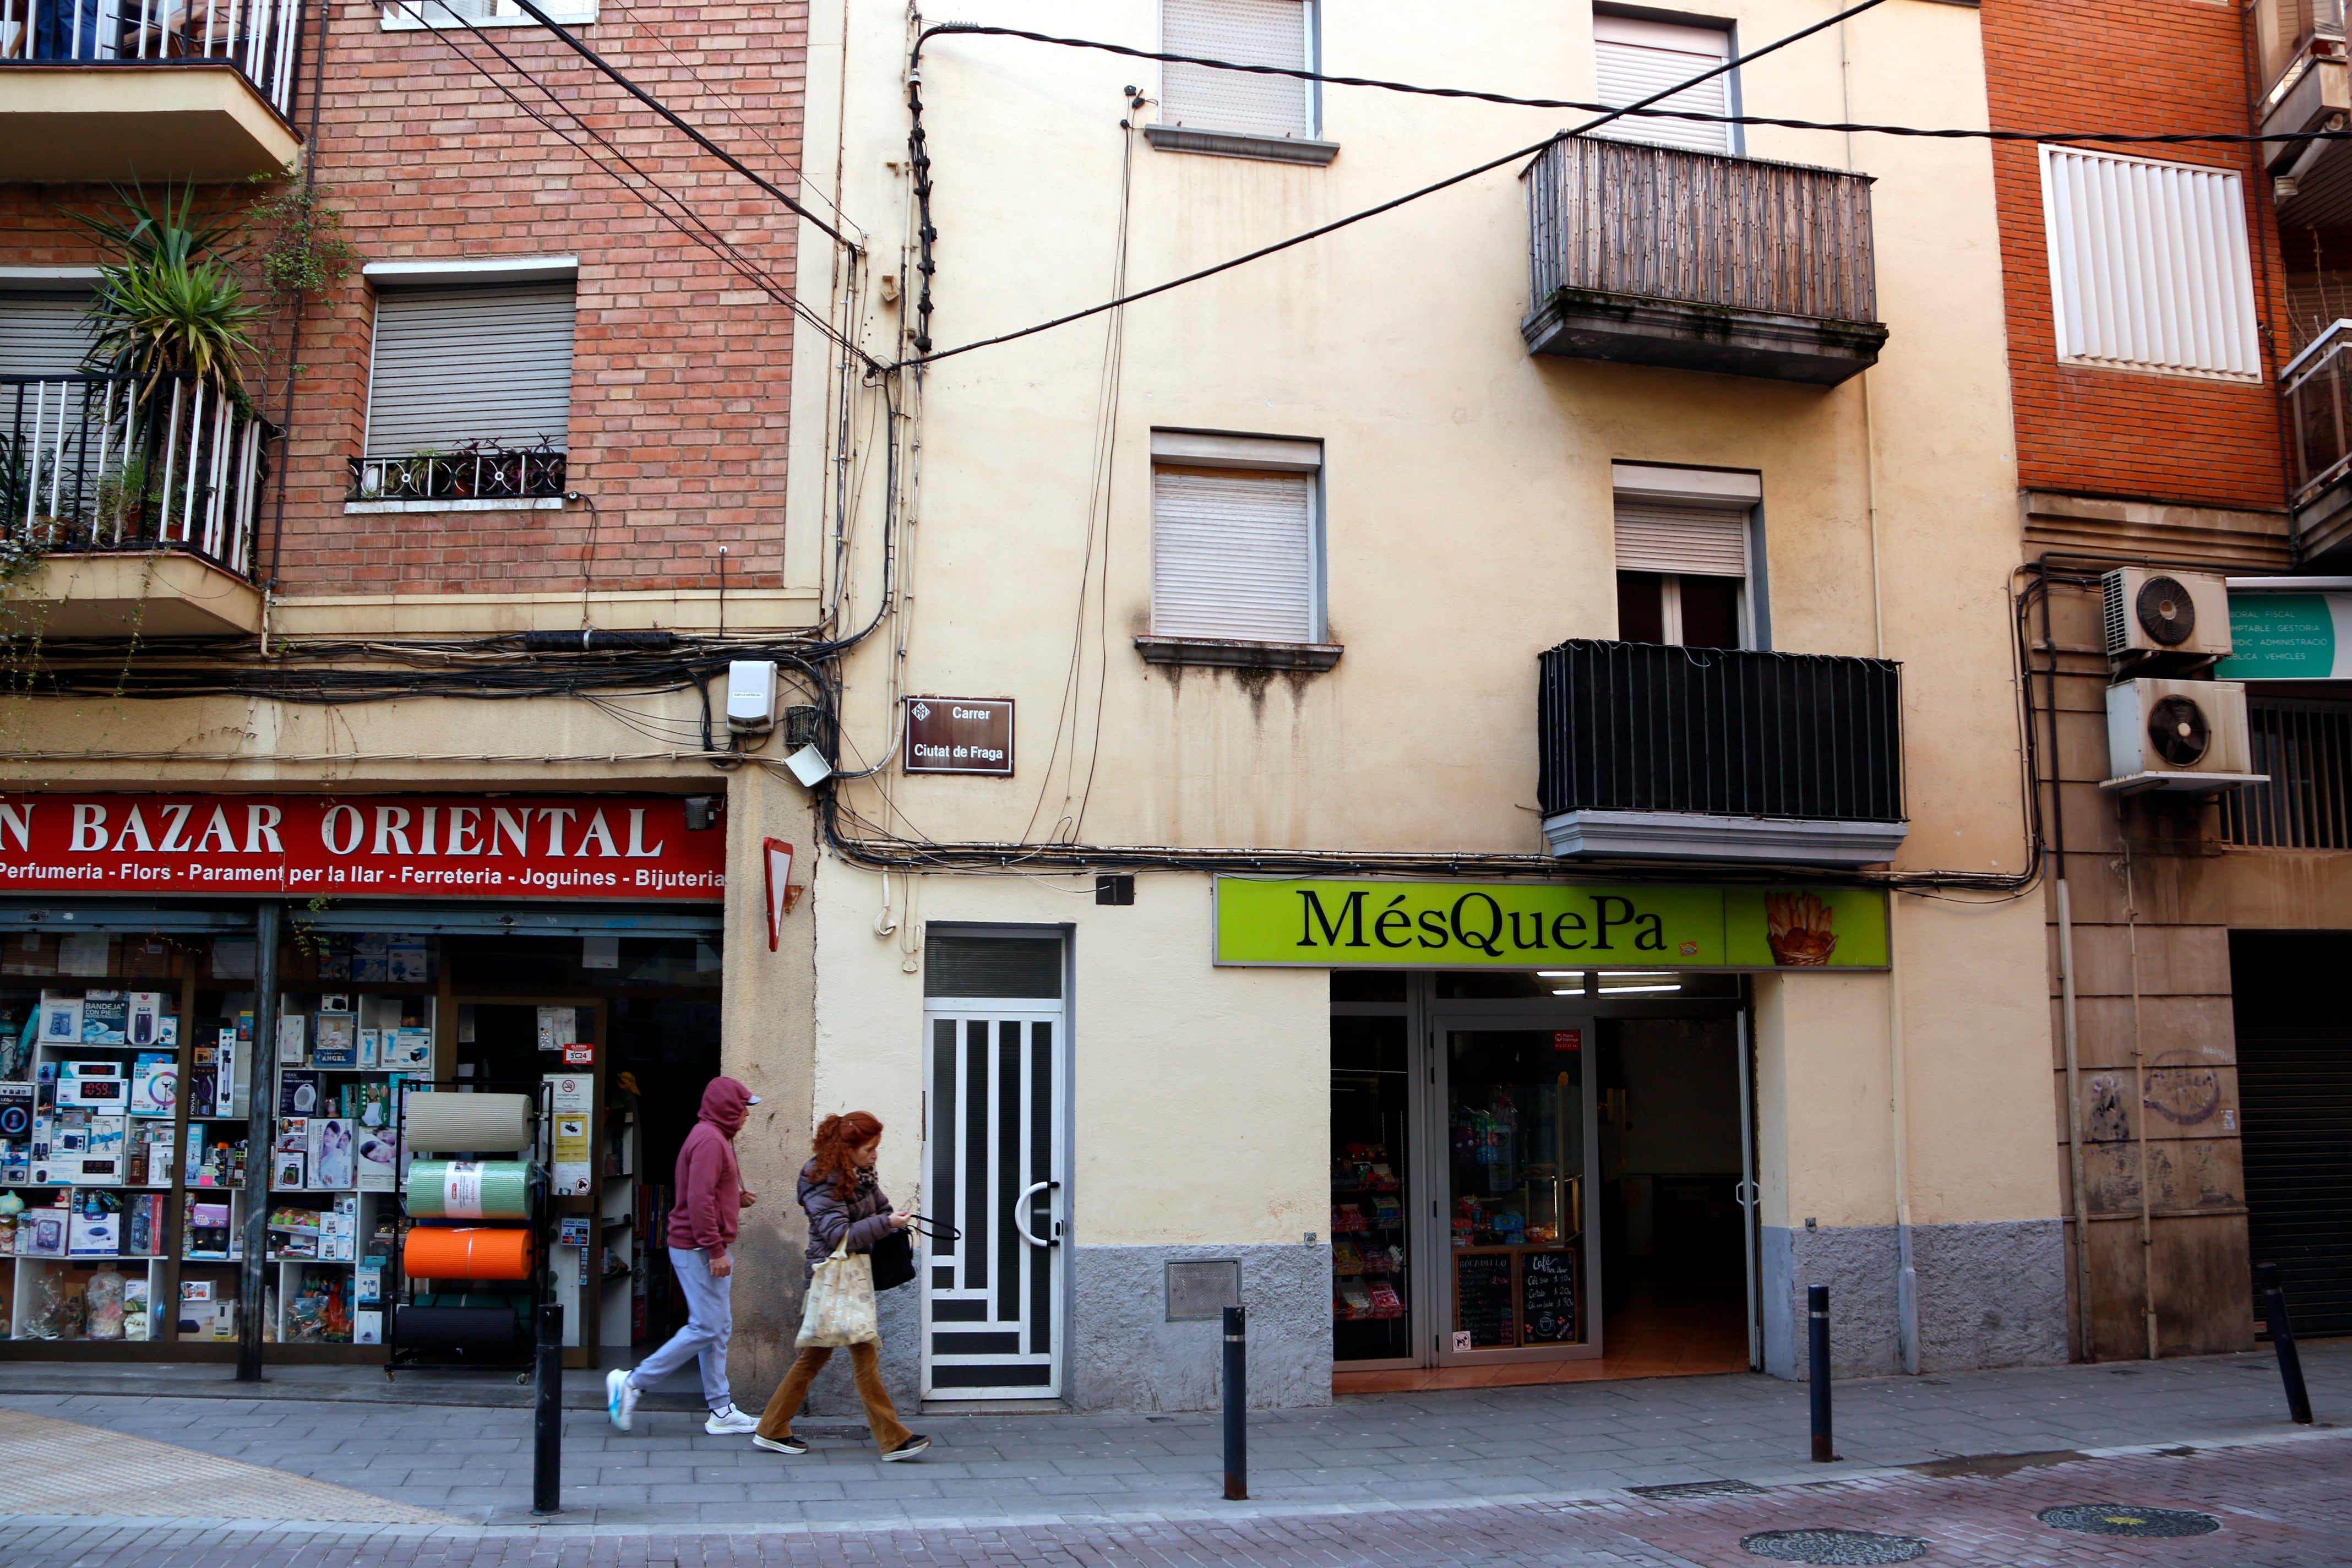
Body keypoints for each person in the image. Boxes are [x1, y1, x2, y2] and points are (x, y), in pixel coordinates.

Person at [752, 1111, 929, 1461]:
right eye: (869, 1148)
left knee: (815, 1359)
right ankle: (892, 1439)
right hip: (835, 1278)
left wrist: (893, 1221)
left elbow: (882, 1210)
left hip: (853, 1276)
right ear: (848, 1149)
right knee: (863, 1357)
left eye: (876, 1147)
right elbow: (839, 1235)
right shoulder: (821, 1180)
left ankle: (771, 1428)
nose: (875, 1154)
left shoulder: (861, 1176)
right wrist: (884, 1222)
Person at [607, 1075, 761, 1434]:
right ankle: (632, 1383)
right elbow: (698, 1200)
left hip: (699, 1246)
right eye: (743, 1108)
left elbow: (705, 1193)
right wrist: (716, 1248)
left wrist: (733, 1199)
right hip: (698, 1248)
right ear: (727, 1108)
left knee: (717, 1328)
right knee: (707, 1326)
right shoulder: (710, 1140)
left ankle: (721, 1411)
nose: (746, 1115)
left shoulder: (713, 1137)